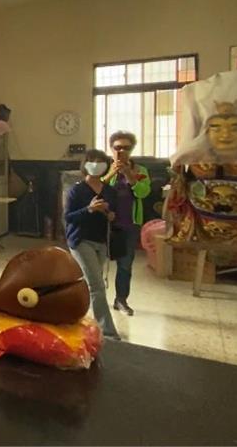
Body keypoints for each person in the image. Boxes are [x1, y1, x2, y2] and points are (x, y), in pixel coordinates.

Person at [64, 149, 120, 340]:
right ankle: (108, 331)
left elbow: (114, 214)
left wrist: (109, 214)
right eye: (92, 161)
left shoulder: (109, 191)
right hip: (80, 241)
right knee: (97, 285)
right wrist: (88, 209)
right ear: (85, 164)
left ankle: (72, 318)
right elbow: (68, 217)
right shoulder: (76, 190)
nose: (96, 165)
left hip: (101, 241)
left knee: (89, 282)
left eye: (100, 161)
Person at [103, 131, 150, 316]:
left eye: (126, 148)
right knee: (96, 262)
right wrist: (112, 173)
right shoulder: (104, 168)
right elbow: (96, 189)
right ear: (111, 149)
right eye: (117, 147)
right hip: (104, 224)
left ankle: (121, 300)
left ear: (132, 150)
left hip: (129, 225)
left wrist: (129, 175)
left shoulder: (140, 171)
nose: (121, 151)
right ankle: (94, 299)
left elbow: (143, 193)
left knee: (125, 264)